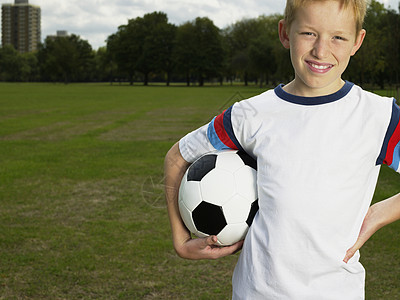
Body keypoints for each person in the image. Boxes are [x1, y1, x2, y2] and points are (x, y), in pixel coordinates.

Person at [164, 0, 400, 298]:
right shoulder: (250, 115)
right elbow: (177, 157)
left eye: (338, 37)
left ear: (357, 41)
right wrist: (180, 239)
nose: (321, 51)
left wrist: (377, 215)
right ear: (285, 32)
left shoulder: (379, 117)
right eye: (309, 33)